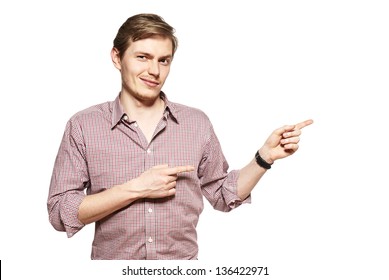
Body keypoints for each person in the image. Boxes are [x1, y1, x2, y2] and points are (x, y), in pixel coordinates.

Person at [47, 13, 313, 260]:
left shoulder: (196, 123)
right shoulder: (84, 125)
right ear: (117, 57)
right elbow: (60, 212)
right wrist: (136, 189)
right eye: (143, 57)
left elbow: (222, 194)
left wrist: (264, 158)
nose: (155, 71)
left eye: (164, 60)